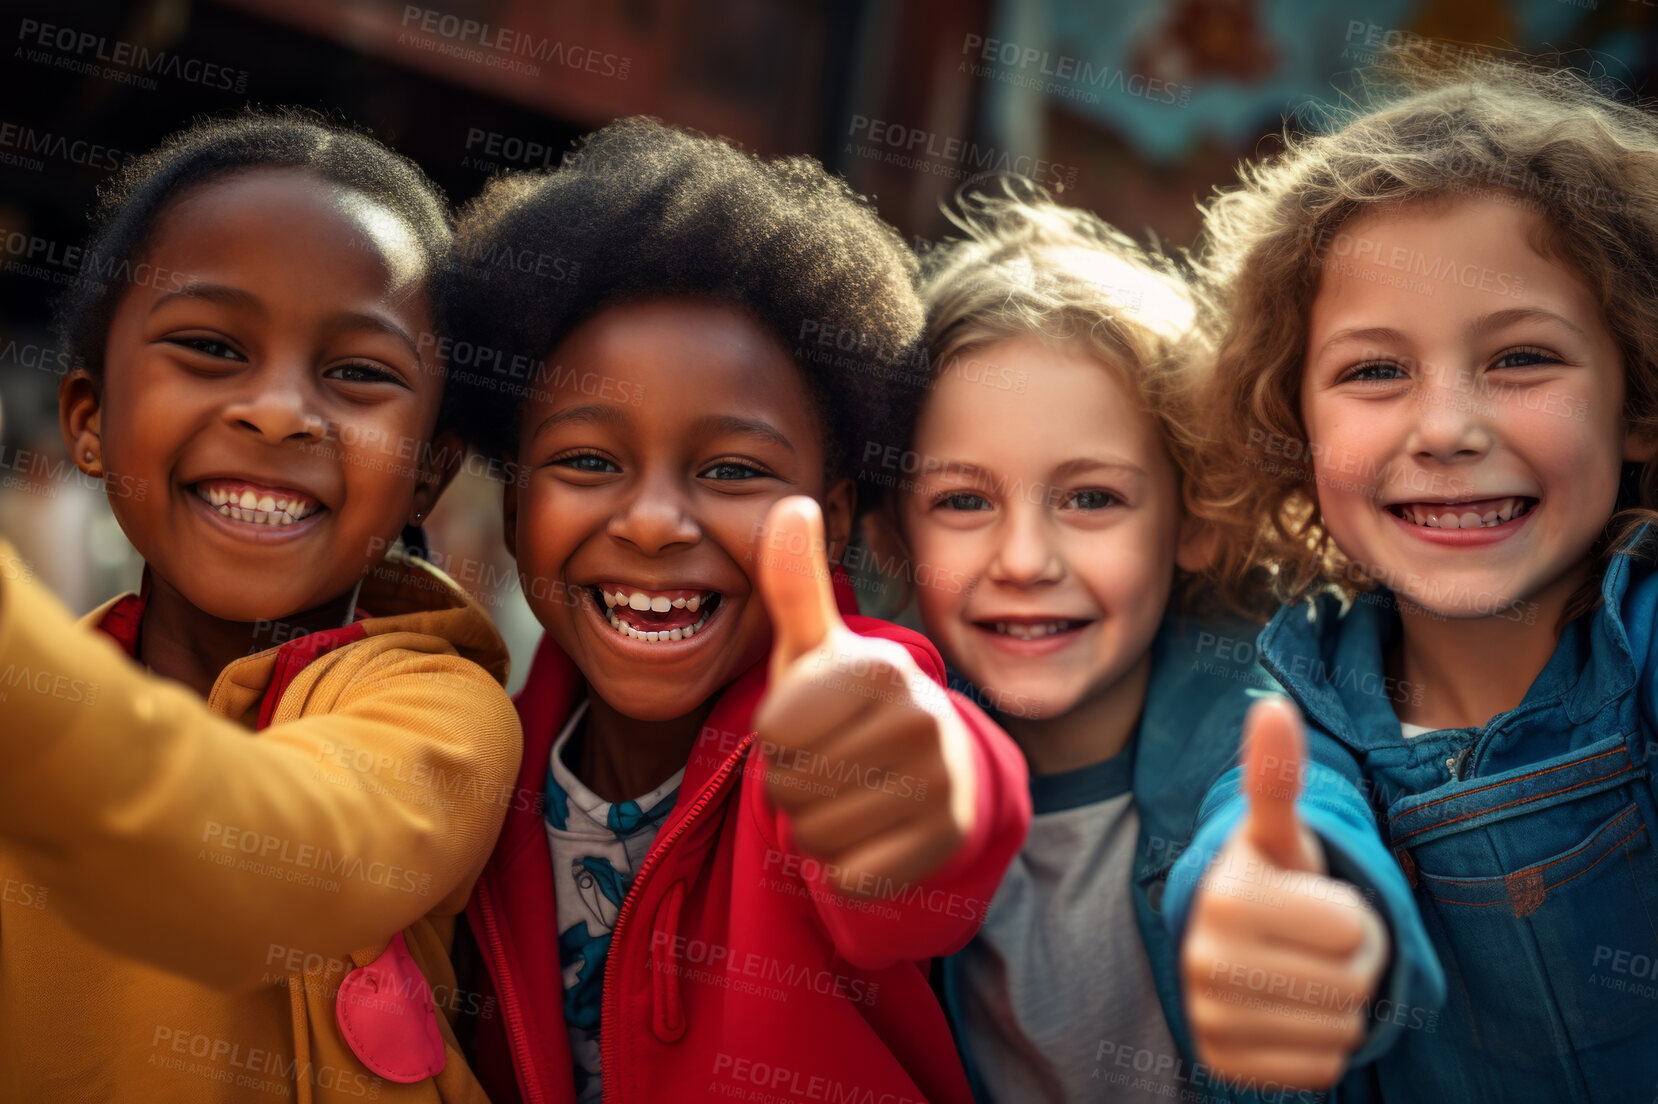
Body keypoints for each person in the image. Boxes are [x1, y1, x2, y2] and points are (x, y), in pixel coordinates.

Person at [1169, 50, 1658, 1100]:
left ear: (1639, 400)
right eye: (1375, 371)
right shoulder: (1306, 709)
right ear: (1295, 429)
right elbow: (1275, 825)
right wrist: (1262, 919)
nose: (1448, 428)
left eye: (1520, 359)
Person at [447, 117, 1031, 1104]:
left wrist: (923, 788)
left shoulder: (833, 731)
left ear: (833, 513)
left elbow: (933, 804)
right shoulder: (470, 777)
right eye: (589, 462)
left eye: (732, 470)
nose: (654, 521)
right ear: (514, 503)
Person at [0, 112, 523, 1102]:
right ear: (90, 421)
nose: (279, 410)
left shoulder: (440, 716)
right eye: (209, 346)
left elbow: (247, 864)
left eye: (359, 373)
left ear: (429, 475)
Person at [872, 177, 1280, 1103]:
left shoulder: (1290, 745)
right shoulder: (873, 768)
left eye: (1091, 498)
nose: (1024, 559)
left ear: (1197, 516)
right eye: (963, 501)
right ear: (893, 534)